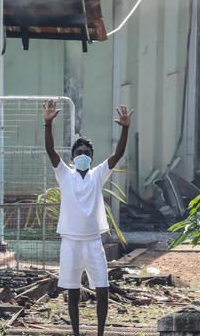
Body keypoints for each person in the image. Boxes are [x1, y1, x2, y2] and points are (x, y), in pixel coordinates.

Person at [43, 99, 132, 336]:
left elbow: (119, 153)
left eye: (86, 152)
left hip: (93, 241)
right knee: (73, 291)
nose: (83, 155)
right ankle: (76, 333)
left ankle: (100, 333)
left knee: (102, 288)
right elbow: (51, 151)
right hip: (70, 241)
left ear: (91, 156)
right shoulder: (65, 174)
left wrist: (125, 128)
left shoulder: (98, 174)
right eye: (79, 152)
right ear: (73, 157)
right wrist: (48, 124)